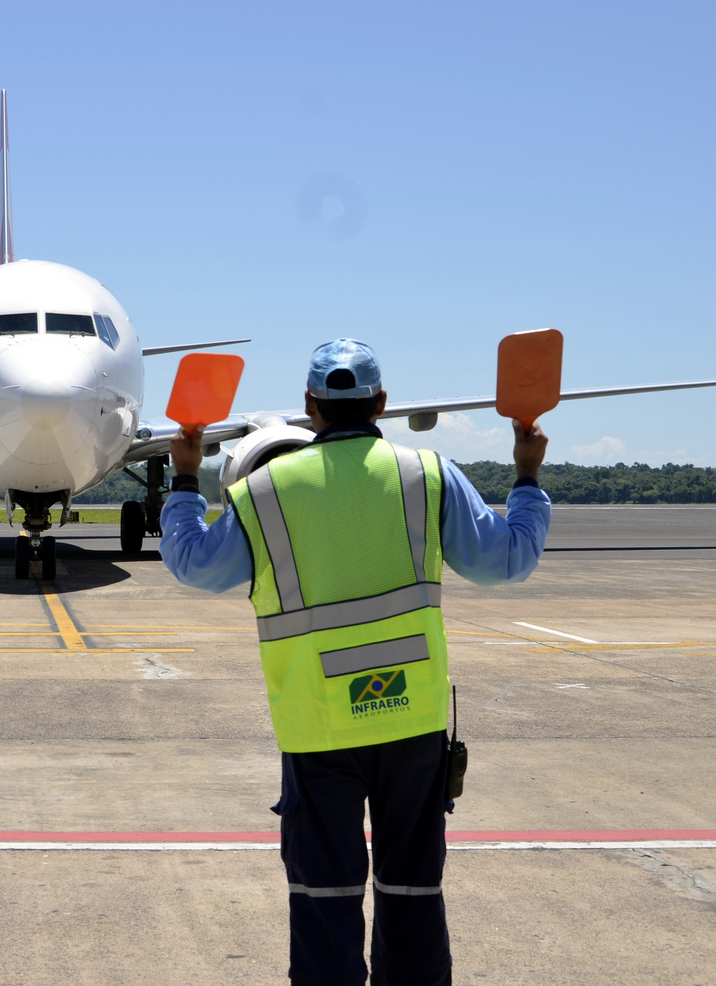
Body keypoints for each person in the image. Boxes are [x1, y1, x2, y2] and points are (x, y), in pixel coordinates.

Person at [159, 338, 551, 986]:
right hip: (409, 722)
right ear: (381, 404)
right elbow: (506, 559)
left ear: (309, 406)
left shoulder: (264, 491)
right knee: (411, 894)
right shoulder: (425, 474)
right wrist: (527, 477)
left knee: (324, 901)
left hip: (317, 729)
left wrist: (180, 480)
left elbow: (194, 565)